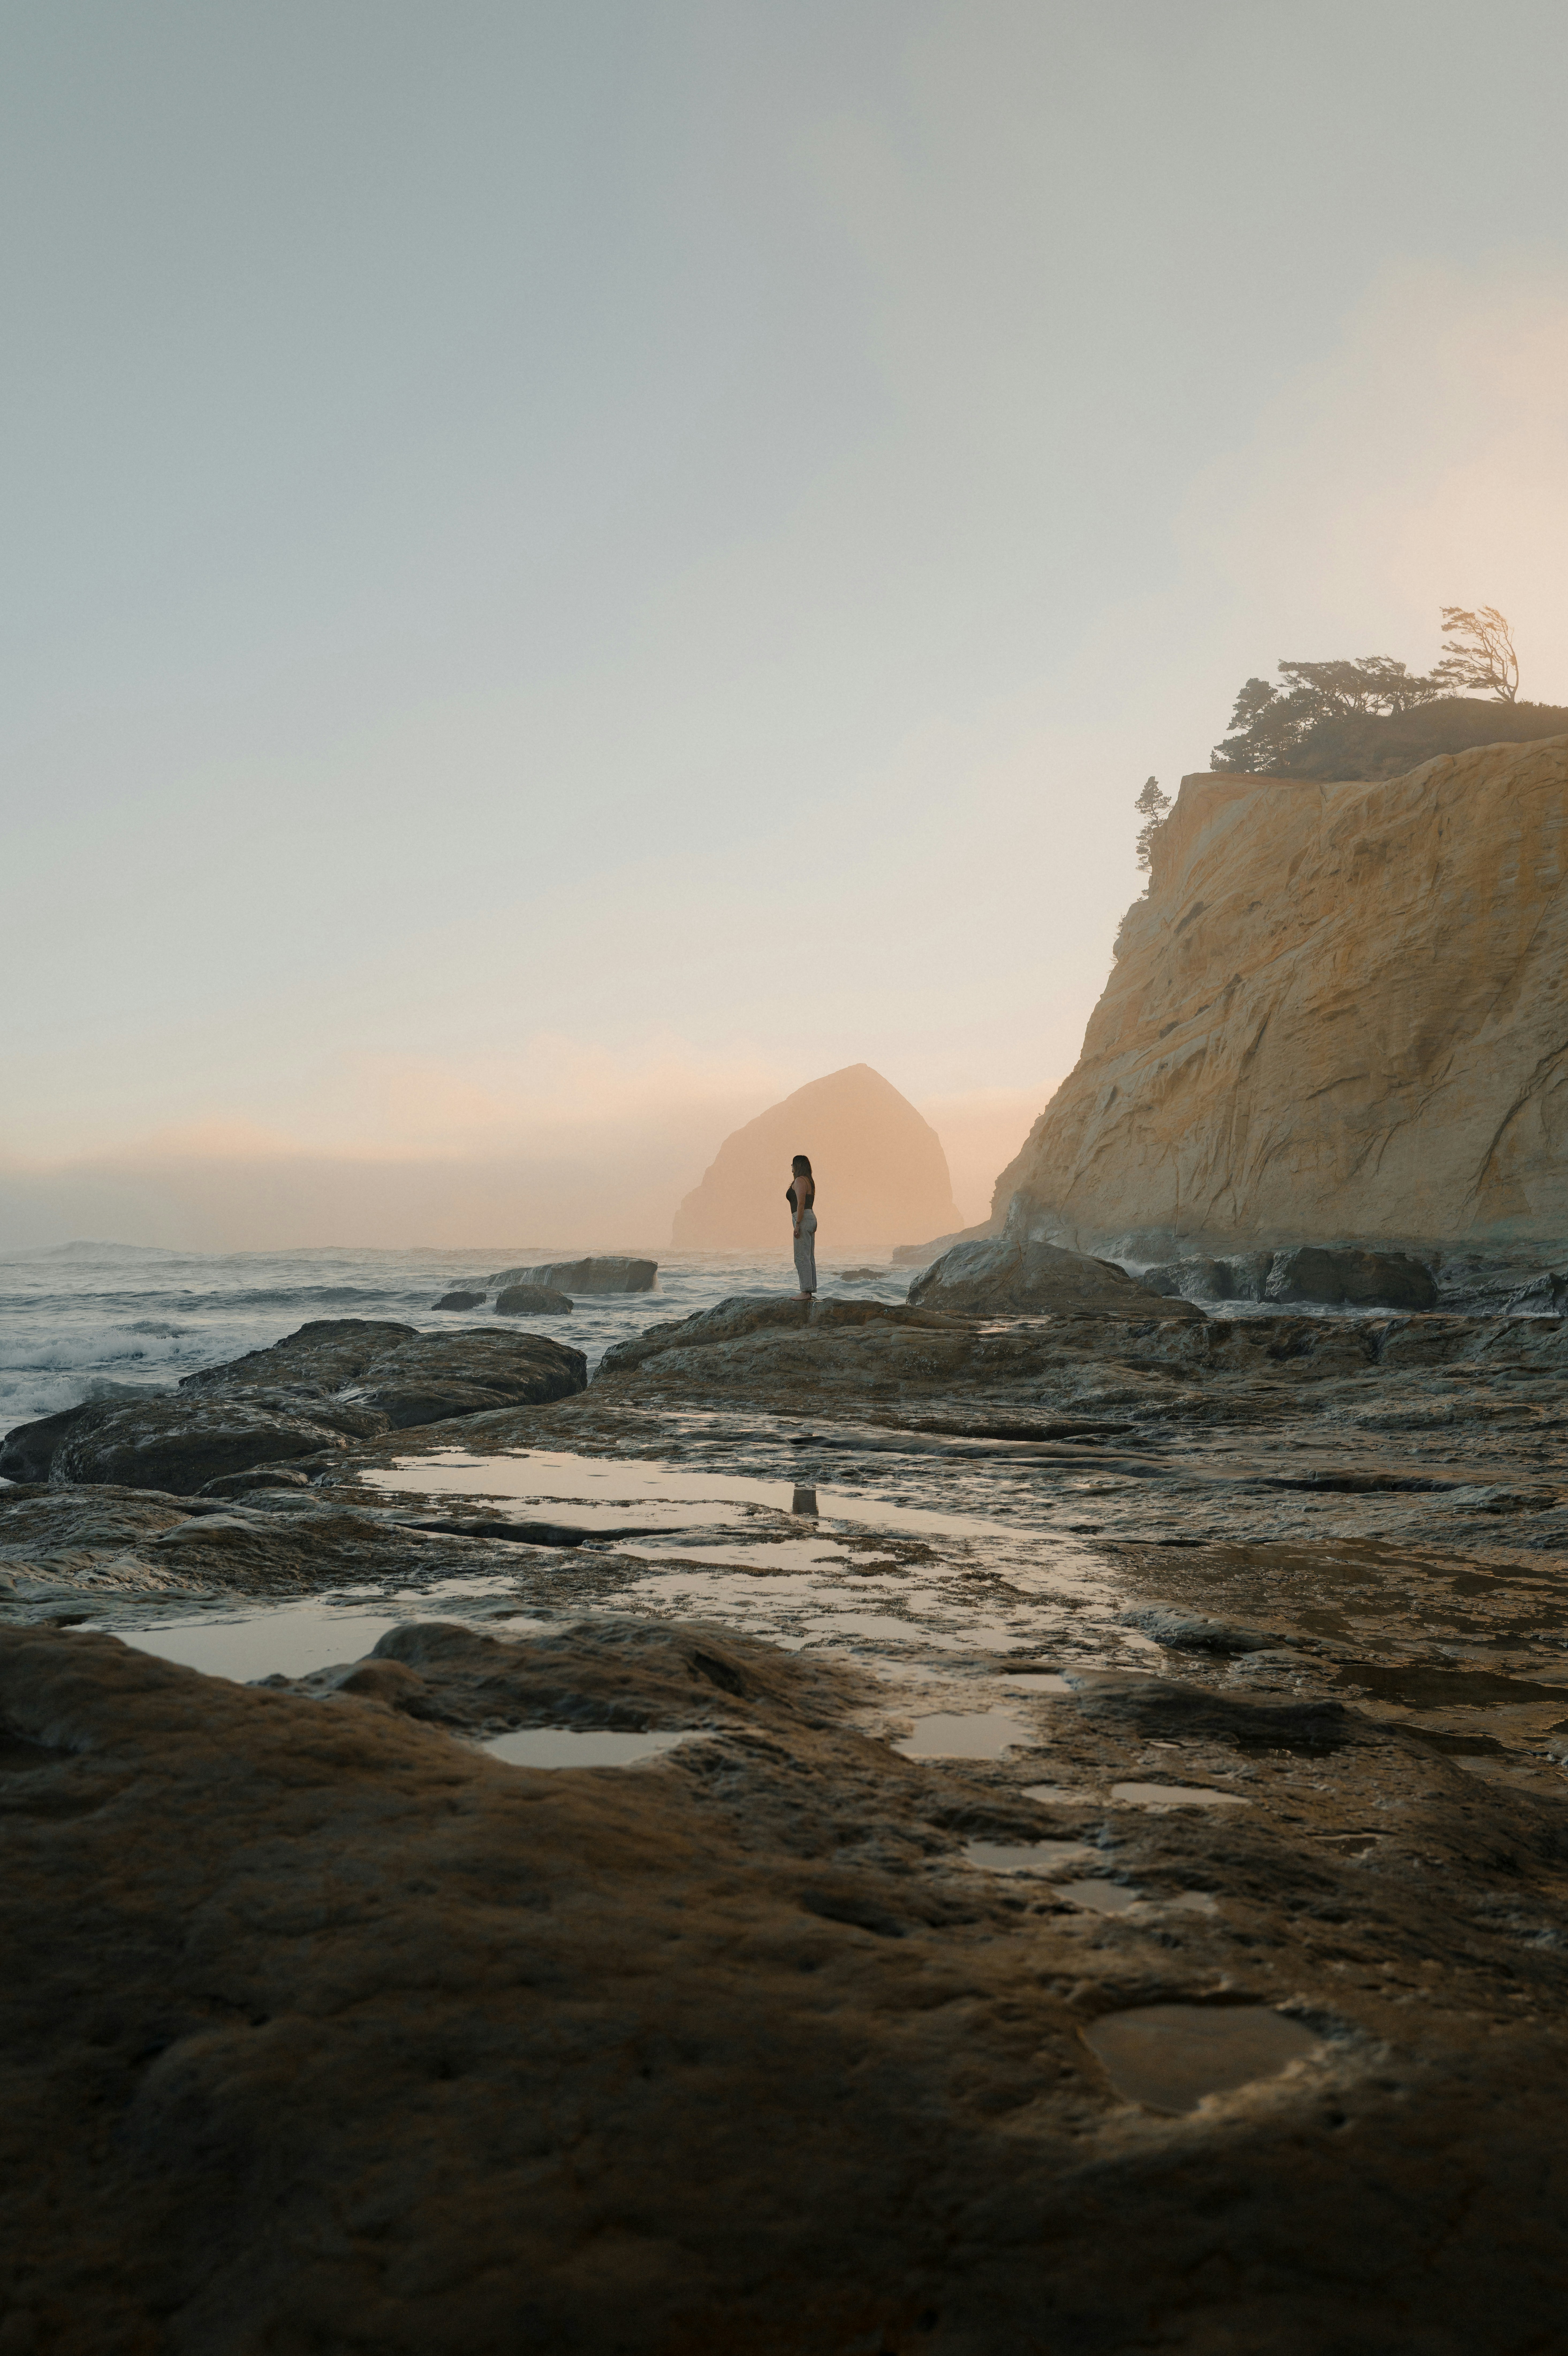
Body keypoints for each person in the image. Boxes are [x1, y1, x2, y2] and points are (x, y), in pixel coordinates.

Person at [786, 1153, 817, 1299]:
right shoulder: (809, 1181)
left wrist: (797, 1224)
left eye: (793, 1164)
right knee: (809, 1256)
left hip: (803, 1218)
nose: (791, 1167)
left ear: (797, 1166)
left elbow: (801, 1204)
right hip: (810, 1217)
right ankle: (809, 1290)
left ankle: (805, 1292)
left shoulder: (799, 1181)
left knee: (801, 1257)